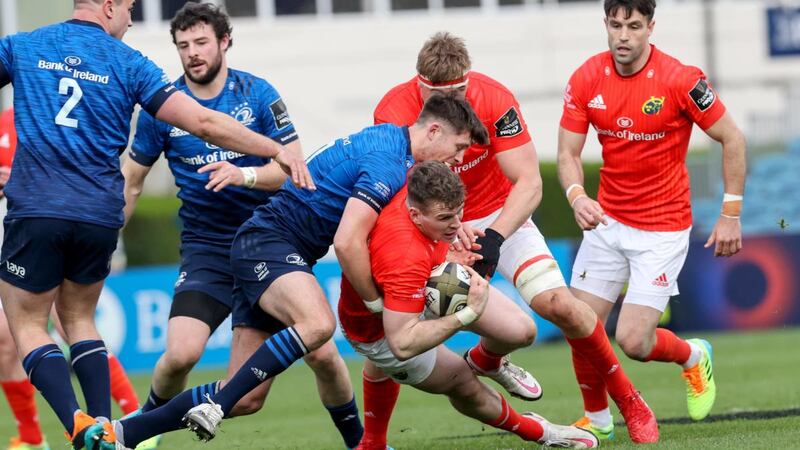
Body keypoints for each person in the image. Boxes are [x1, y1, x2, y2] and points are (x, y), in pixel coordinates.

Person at [0, 0, 311, 448]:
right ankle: (107, 430)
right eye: (130, 9)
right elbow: (203, 121)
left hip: (37, 207)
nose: (131, 19)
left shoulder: (24, 46)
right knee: (80, 319)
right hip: (98, 215)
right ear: (108, 6)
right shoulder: (131, 64)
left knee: (29, 325)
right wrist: (274, 147)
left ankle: (77, 422)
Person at [104, 94, 488, 449]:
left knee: (248, 396)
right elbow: (347, 242)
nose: (459, 159)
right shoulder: (388, 162)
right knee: (318, 324)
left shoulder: (392, 143)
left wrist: (456, 227)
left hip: (273, 248)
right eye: (458, 147)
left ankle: (125, 432)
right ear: (434, 130)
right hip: (270, 243)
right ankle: (223, 407)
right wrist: (374, 301)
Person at [369, 31, 658, 445]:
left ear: (469, 81)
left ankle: (629, 400)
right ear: (418, 85)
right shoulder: (391, 109)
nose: (451, 100)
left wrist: (495, 237)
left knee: (562, 307)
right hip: (432, 223)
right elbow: (398, 189)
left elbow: (528, 182)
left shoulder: (495, 99)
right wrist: (444, 235)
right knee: (388, 326)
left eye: (458, 91)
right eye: (438, 93)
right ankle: (372, 441)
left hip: (496, 214)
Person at [122, 3, 363, 449]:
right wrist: (108, 237)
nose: (192, 53)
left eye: (201, 43)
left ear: (224, 42)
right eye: (183, 46)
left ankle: (360, 443)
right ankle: (143, 431)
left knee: (325, 355)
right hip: (208, 249)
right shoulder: (166, 110)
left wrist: (246, 174)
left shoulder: (258, 94)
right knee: (180, 355)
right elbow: (132, 182)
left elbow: (295, 167)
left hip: (267, 243)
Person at [557, 0, 746, 435]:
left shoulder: (681, 79)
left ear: (650, 27)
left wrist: (730, 214)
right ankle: (599, 420)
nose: (624, 35)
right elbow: (567, 153)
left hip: (662, 229)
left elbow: (732, 138)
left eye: (634, 26)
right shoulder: (587, 77)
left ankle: (694, 357)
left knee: (633, 343)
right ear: (605, 24)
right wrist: (575, 196)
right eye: (616, 25)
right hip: (607, 222)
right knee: (577, 321)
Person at [339, 161, 599, 449]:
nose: (456, 222)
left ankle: (486, 361)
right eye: (445, 217)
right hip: (380, 330)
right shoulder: (405, 257)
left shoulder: (419, 187)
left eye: (459, 211)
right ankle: (541, 432)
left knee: (521, 330)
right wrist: (467, 314)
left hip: (417, 287)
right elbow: (402, 342)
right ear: (414, 213)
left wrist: (447, 253)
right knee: (464, 385)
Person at [0, 108, 141, 450]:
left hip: (56, 227)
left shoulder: (63, 113)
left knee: (68, 322)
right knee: (7, 341)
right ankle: (33, 438)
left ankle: (131, 419)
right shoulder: (8, 120)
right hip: (21, 231)